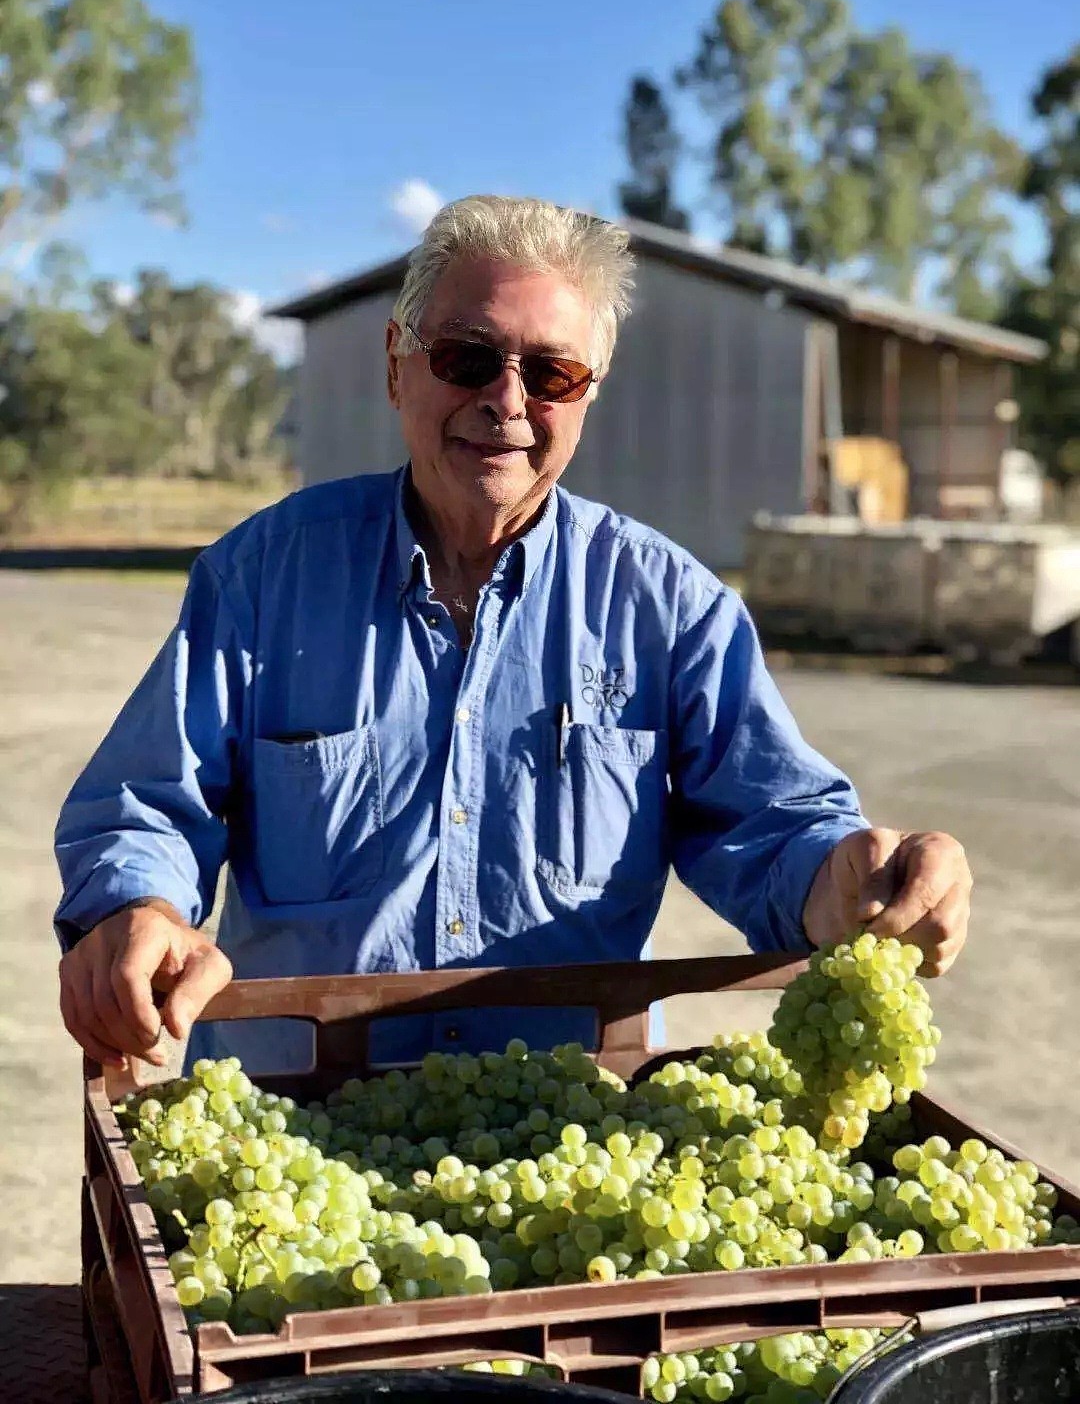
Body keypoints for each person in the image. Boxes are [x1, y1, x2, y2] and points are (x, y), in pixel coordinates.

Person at [54, 195, 972, 1076]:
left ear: (589, 395)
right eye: (466, 356)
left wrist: (856, 881)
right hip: (294, 1129)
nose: (507, 399)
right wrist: (138, 908)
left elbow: (774, 834)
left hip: (570, 1162)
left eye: (552, 373)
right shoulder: (261, 578)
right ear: (395, 365)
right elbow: (147, 804)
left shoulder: (671, 607)